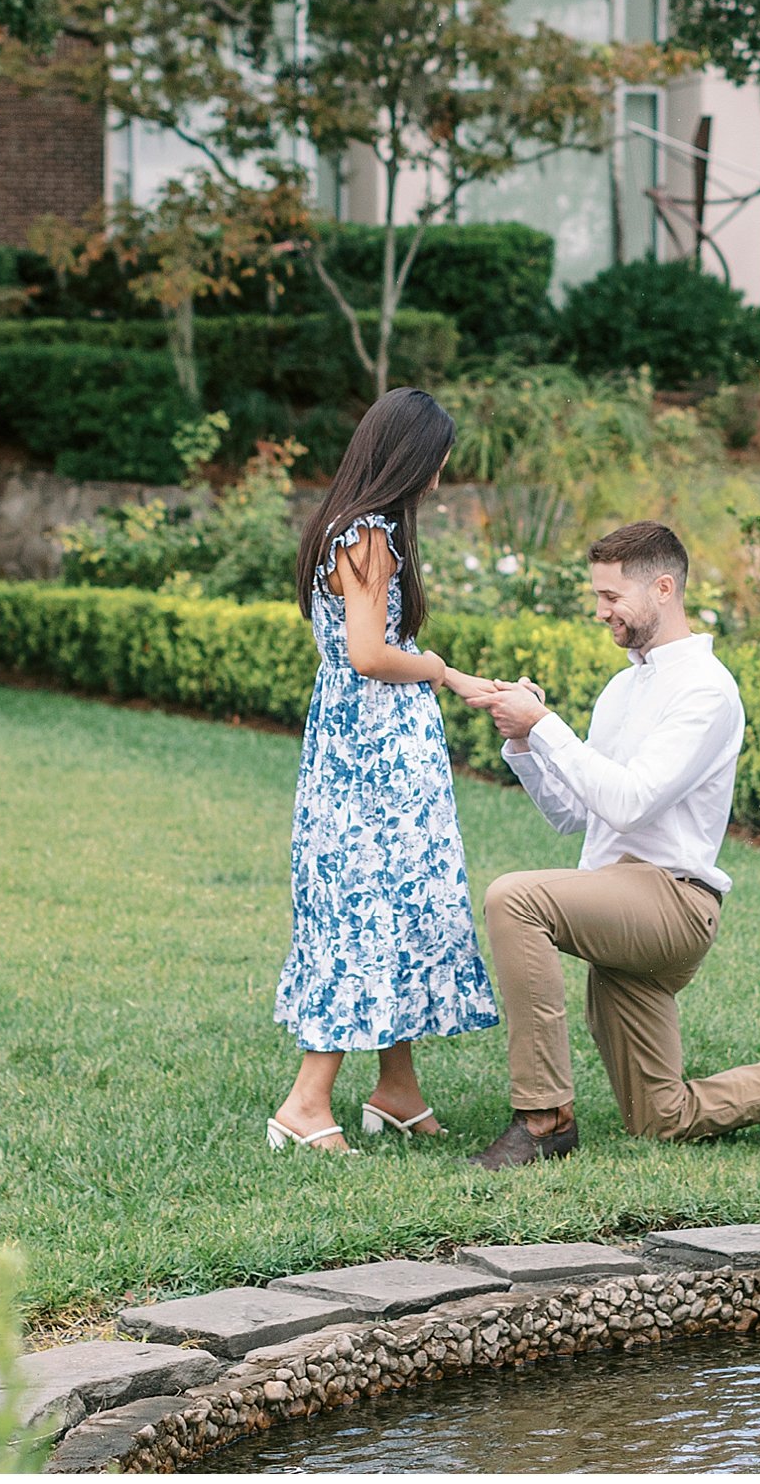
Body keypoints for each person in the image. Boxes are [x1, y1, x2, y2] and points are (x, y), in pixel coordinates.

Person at [469, 520, 760, 1169]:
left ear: (662, 588)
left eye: (610, 597)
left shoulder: (706, 690)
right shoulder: (623, 687)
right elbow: (577, 814)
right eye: (596, 597)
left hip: (670, 905)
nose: (600, 612)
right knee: (662, 1118)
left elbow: (630, 800)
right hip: (619, 910)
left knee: (514, 899)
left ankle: (543, 1119)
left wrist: (545, 725)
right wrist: (523, 742)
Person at [269, 388, 502, 1153]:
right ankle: (305, 1104)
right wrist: (436, 666)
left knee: (397, 907)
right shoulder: (367, 536)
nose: (439, 477)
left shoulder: (346, 526)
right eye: (435, 460)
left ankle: (396, 1090)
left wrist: (454, 679)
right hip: (374, 759)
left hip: (363, 747)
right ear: (407, 457)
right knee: (366, 909)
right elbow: (370, 655)